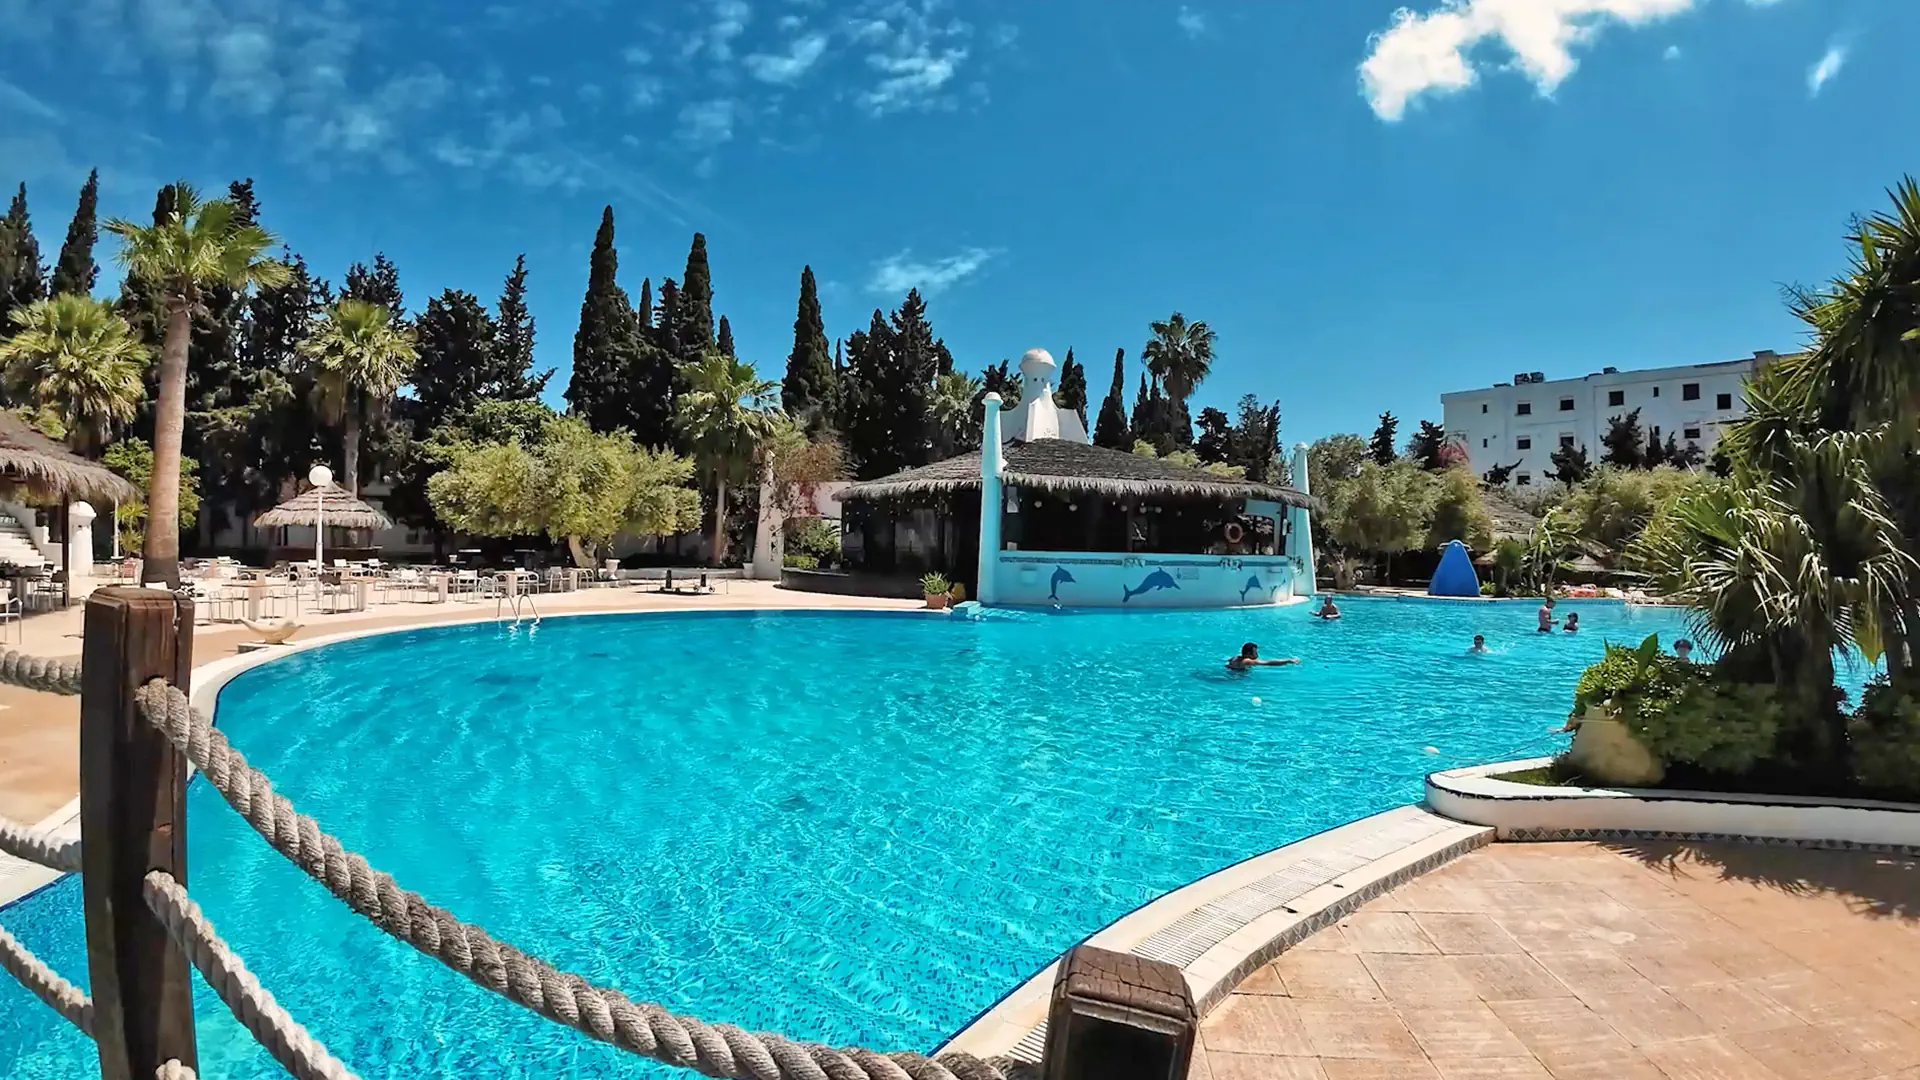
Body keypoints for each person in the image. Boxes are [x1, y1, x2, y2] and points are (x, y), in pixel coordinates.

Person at [1227, 642, 1300, 670]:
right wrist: (1288, 660)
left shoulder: (1235, 657)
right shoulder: (1248, 661)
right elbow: (1268, 663)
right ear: (1248, 654)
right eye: (1255, 653)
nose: (1257, 655)